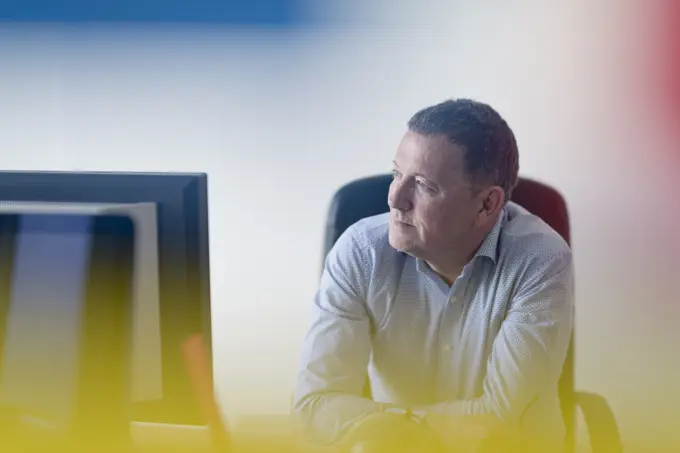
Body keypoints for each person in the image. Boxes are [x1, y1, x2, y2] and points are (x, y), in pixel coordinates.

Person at [293, 99, 574, 453]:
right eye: (397, 174)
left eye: (424, 185)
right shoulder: (360, 251)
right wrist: (408, 428)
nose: (395, 198)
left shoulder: (540, 259)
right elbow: (315, 405)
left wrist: (385, 425)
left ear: (487, 204)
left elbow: (500, 424)